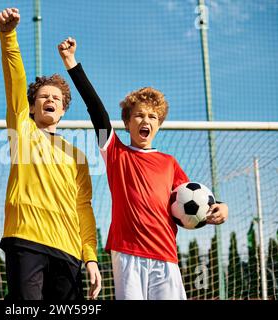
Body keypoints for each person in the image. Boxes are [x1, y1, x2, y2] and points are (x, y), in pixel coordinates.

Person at [57, 37, 229, 300]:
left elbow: (192, 206)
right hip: (127, 253)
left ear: (159, 125)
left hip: (165, 254)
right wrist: (71, 63)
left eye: (152, 117)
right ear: (127, 123)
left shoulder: (169, 163)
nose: (145, 120)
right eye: (138, 115)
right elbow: (96, 108)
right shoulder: (115, 151)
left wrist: (220, 208)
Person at [0, 8, 101, 300]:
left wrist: (90, 256)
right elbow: (15, 82)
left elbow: (84, 208)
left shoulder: (78, 157)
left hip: (68, 251)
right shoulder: (23, 132)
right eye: (44, 96)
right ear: (31, 107)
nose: (50, 99)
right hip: (26, 240)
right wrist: (8, 36)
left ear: (64, 110)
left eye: (56, 98)